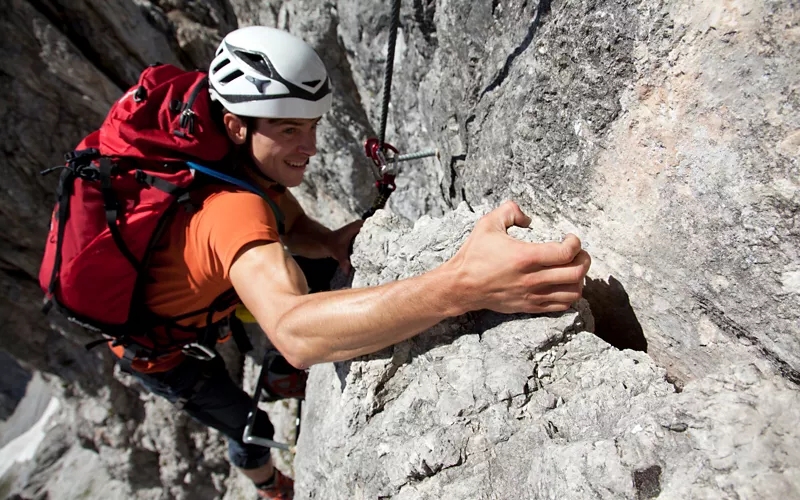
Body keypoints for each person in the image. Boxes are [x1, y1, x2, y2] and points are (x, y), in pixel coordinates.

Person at [120, 26, 591, 499]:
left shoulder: (238, 163)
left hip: (204, 300)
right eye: (289, 130)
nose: (311, 148)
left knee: (314, 278)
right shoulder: (230, 208)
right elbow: (294, 334)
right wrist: (464, 285)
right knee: (249, 424)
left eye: (312, 126)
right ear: (237, 126)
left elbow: (292, 225)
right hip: (159, 353)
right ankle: (270, 486)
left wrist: (328, 241)